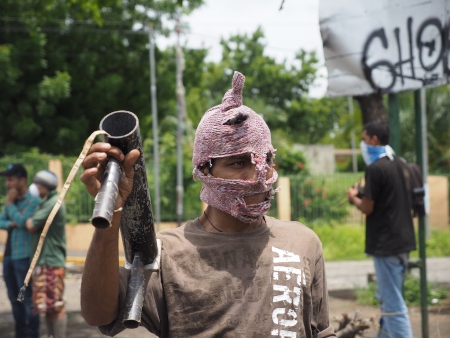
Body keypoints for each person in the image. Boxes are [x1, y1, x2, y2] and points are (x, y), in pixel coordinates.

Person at [80, 72, 336, 337]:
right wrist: (110, 214)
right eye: (237, 163)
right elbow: (99, 313)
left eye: (264, 161)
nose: (255, 177)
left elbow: (321, 330)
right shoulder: (168, 254)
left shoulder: (302, 241)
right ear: (205, 169)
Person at [346, 121, 416, 338]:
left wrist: (353, 198)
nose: (364, 144)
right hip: (403, 242)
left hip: (386, 245)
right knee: (389, 300)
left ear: (374, 140)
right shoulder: (401, 164)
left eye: (365, 139)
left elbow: (367, 207)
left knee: (394, 306)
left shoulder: (376, 168)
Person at [0, 164, 40, 338]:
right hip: (8, 256)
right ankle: (20, 334)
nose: (7, 184)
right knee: (13, 299)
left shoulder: (34, 202)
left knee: (27, 300)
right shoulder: (12, 202)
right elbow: (1, 221)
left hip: (24, 257)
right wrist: (11, 223)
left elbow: (24, 221)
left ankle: (32, 334)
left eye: (10, 179)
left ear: (22, 180)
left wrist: (10, 206)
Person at [26, 170, 67, 338]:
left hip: (50, 261)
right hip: (45, 261)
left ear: (43, 187)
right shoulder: (47, 202)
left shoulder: (53, 203)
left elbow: (31, 225)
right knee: (47, 306)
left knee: (54, 305)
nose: (34, 188)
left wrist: (29, 216)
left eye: (36, 185)